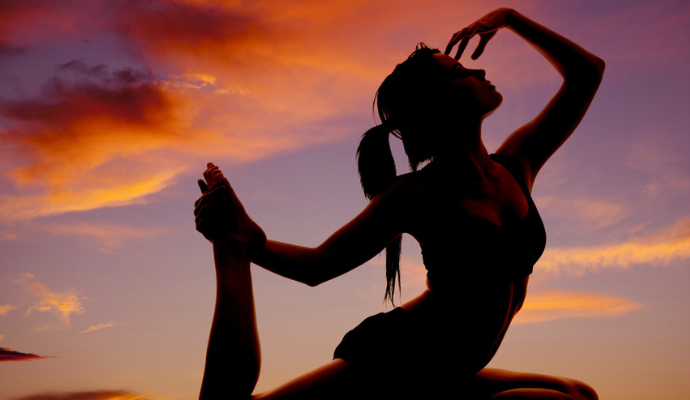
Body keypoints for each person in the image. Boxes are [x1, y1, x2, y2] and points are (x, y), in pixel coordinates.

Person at [193, 8, 604, 400]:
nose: (479, 70)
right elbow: (317, 266)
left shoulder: (517, 163)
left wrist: (510, 18)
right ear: (438, 104)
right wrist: (251, 242)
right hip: (396, 361)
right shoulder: (415, 196)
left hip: (449, 374)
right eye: (460, 73)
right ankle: (230, 248)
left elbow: (588, 72)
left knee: (578, 394)